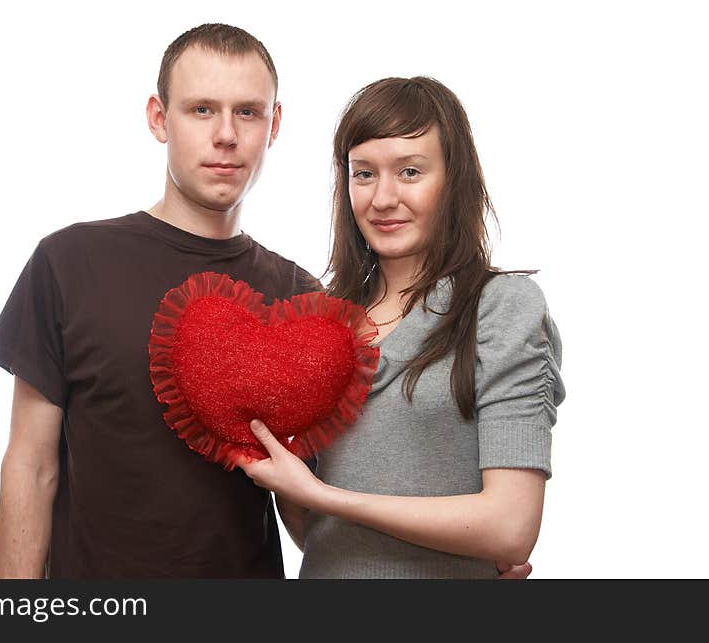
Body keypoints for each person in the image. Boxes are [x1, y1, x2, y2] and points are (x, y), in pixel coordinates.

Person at [0, 23, 532, 578]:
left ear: (274, 125)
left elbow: (304, 499)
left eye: (248, 112)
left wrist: (469, 561)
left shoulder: (305, 301)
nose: (226, 134)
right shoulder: (70, 262)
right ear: (158, 118)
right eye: (201, 109)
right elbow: (30, 467)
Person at [238, 76, 565, 578]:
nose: (383, 198)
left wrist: (327, 497)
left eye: (410, 171)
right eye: (363, 174)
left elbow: (511, 526)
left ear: (453, 180)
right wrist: (311, 499)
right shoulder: (322, 320)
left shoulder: (500, 308)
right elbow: (314, 529)